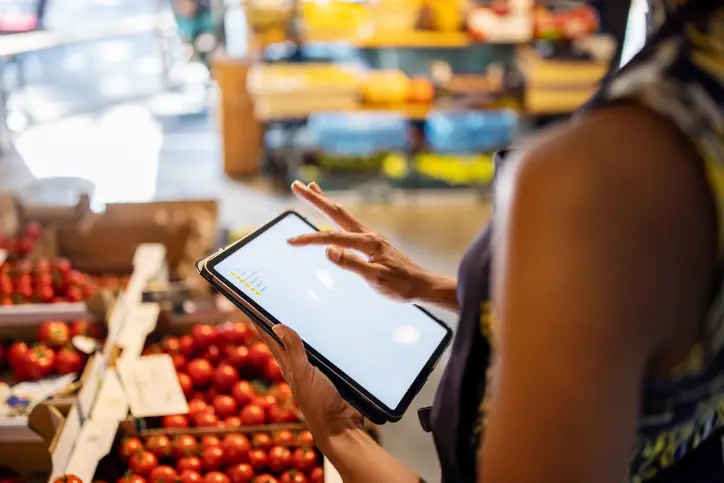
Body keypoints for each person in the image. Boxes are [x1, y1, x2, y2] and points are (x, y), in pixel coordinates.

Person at [257, 1, 724, 482]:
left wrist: (338, 433)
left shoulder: (599, 172)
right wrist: (434, 287)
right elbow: (632, 307)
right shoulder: (693, 100)